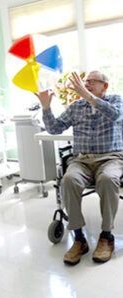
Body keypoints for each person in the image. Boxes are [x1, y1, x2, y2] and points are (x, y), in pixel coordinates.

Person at [36, 70, 123, 266]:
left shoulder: (116, 100)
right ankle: (79, 238)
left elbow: (117, 116)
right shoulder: (76, 107)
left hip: (111, 158)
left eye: (92, 82)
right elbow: (55, 128)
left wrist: (89, 97)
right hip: (81, 160)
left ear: (105, 86)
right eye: (85, 82)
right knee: (68, 180)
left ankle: (106, 236)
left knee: (108, 179)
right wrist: (46, 107)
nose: (87, 84)